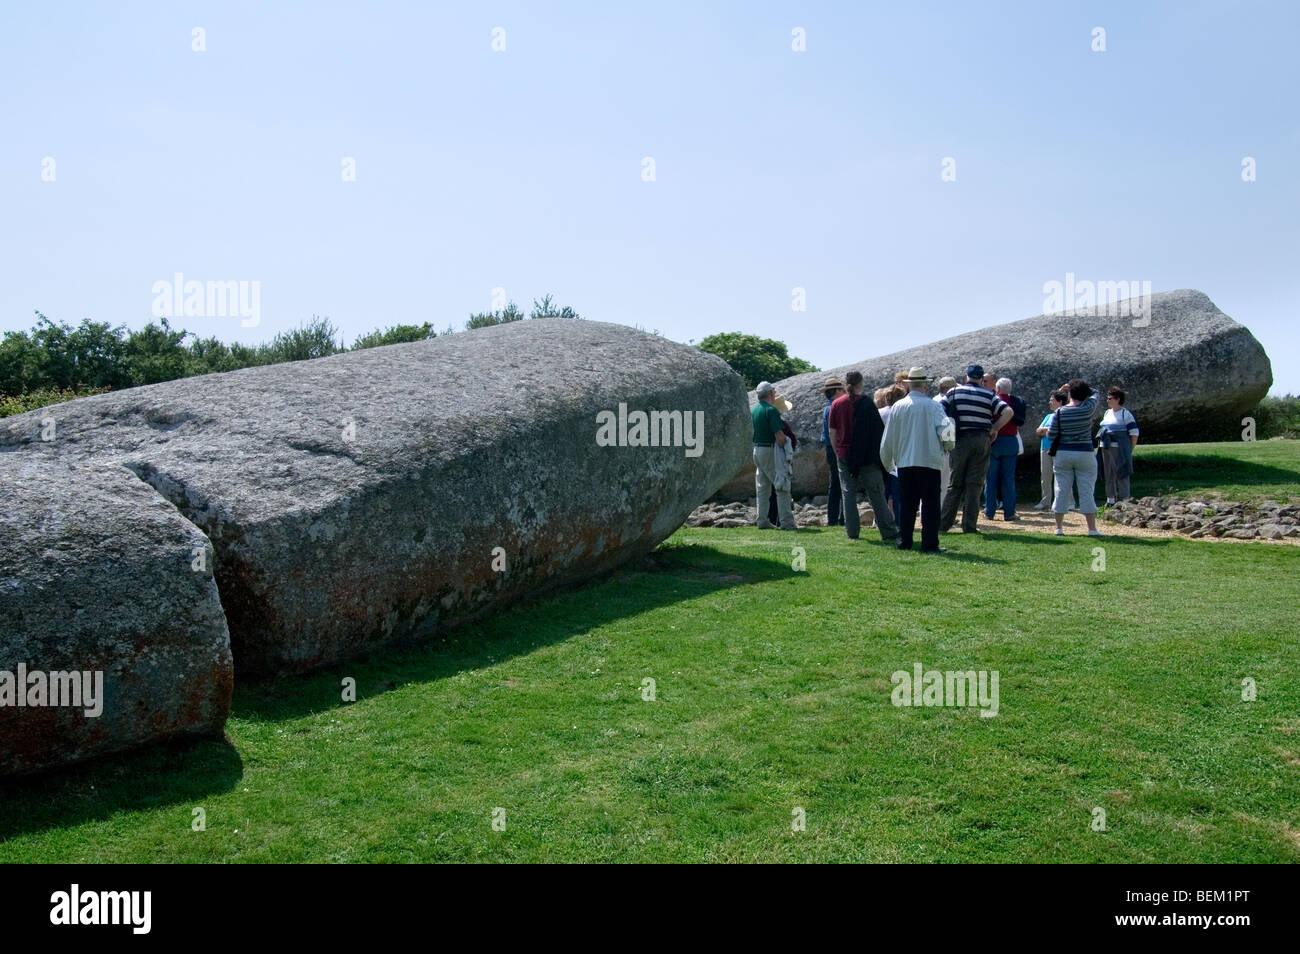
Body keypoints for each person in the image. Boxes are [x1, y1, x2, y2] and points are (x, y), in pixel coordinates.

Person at [880, 368, 953, 552]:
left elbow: (888, 438)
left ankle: (905, 541)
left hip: (905, 462)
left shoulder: (898, 407)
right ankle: (930, 543)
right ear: (924, 385)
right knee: (930, 505)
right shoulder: (933, 406)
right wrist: (948, 446)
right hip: (929, 461)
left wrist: (888, 462)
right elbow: (946, 431)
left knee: (907, 504)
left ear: (909, 385)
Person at [939, 364, 1013, 534]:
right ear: (981, 378)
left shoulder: (953, 392)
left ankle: (943, 524)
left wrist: (947, 435)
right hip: (981, 439)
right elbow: (1008, 412)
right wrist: (994, 428)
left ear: (966, 376)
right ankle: (969, 526)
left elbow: (940, 411)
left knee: (955, 484)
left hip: (960, 439)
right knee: (975, 484)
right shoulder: (989, 395)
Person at [828, 371, 899, 542]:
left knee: (848, 494)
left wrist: (837, 451)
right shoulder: (866, 403)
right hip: (866, 455)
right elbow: (877, 431)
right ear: (860, 383)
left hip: (844, 454)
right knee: (876, 492)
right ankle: (888, 530)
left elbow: (832, 432)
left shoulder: (836, 404)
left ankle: (852, 531)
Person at [1048, 378, 1103, 536]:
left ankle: (1059, 528)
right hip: (1085, 452)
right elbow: (1096, 393)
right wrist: (1077, 388)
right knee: (1087, 490)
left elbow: (1051, 435)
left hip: (1063, 453)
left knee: (1061, 489)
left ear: (1070, 394)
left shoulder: (1060, 412)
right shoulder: (1087, 408)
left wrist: (1069, 388)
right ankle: (1092, 529)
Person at [752, 381, 796, 530]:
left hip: (757, 449)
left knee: (762, 488)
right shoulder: (771, 410)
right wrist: (787, 445)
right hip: (770, 450)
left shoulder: (755, 410)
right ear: (771, 393)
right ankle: (787, 522)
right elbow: (780, 437)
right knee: (781, 485)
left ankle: (762, 520)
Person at [983, 377, 1027, 522]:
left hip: (995, 441)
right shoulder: (1017, 402)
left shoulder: (993, 401)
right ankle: (1009, 512)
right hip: (1011, 441)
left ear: (998, 389)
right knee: (1008, 479)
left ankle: (989, 511)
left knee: (991, 479)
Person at [1097, 387, 1139, 504]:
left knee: (1122, 471)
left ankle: (1125, 499)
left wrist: (1130, 448)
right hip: (1105, 446)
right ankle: (1110, 499)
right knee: (1108, 472)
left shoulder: (1125, 414)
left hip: (1119, 447)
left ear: (1118, 399)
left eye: (1110, 398)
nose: (1107, 400)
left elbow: (1134, 432)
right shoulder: (1107, 413)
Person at [766, 391, 798, 526]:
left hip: (768, 457)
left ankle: (771, 518)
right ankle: (779, 519)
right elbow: (791, 440)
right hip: (780, 459)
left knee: (770, 490)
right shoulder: (781, 424)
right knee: (780, 489)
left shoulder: (766, 422)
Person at [879, 384, 907, 529]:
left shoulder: (879, 413)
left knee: (883, 490)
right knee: (897, 492)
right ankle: (899, 522)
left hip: (882, 454)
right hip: (899, 454)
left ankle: (880, 520)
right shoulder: (903, 413)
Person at [1033, 389, 1067, 509]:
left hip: (1059, 448)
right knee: (1045, 476)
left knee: (1060, 476)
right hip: (1045, 448)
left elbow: (1061, 429)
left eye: (1052, 400)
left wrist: (1045, 430)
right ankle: (1045, 501)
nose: (1049, 402)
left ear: (1060, 402)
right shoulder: (1048, 416)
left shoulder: (1064, 414)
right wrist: (1048, 429)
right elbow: (1038, 431)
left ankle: (1062, 502)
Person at [820, 376, 846, 525]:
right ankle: (839, 517)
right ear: (837, 391)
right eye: (842, 389)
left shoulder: (827, 407)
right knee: (839, 482)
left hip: (830, 447)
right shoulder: (834, 407)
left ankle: (834, 517)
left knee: (835, 482)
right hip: (835, 447)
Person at [934, 376, 957, 495]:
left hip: (931, 445)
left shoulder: (933, 400)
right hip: (944, 445)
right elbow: (947, 424)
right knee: (944, 482)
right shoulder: (948, 401)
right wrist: (948, 446)